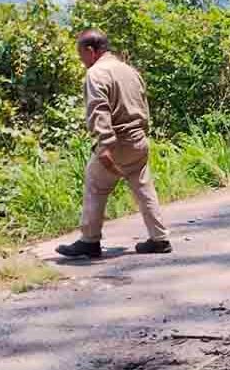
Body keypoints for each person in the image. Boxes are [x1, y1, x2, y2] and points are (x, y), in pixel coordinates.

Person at [56, 30, 170, 259]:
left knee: (96, 185)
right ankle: (160, 239)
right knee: (143, 187)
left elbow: (99, 110)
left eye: (81, 55)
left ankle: (89, 241)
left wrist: (105, 145)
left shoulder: (96, 73)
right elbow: (144, 105)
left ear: (90, 50)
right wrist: (142, 135)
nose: (81, 61)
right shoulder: (129, 70)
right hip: (139, 139)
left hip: (117, 143)